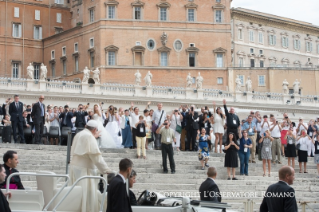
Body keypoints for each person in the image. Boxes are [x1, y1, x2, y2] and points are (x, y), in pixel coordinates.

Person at [69, 120, 115, 212]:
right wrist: (106, 169)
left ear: (86, 126)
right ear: (94, 129)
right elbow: (96, 158)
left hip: (75, 168)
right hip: (85, 171)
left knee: (76, 195)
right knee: (86, 196)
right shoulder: (89, 137)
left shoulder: (79, 134)